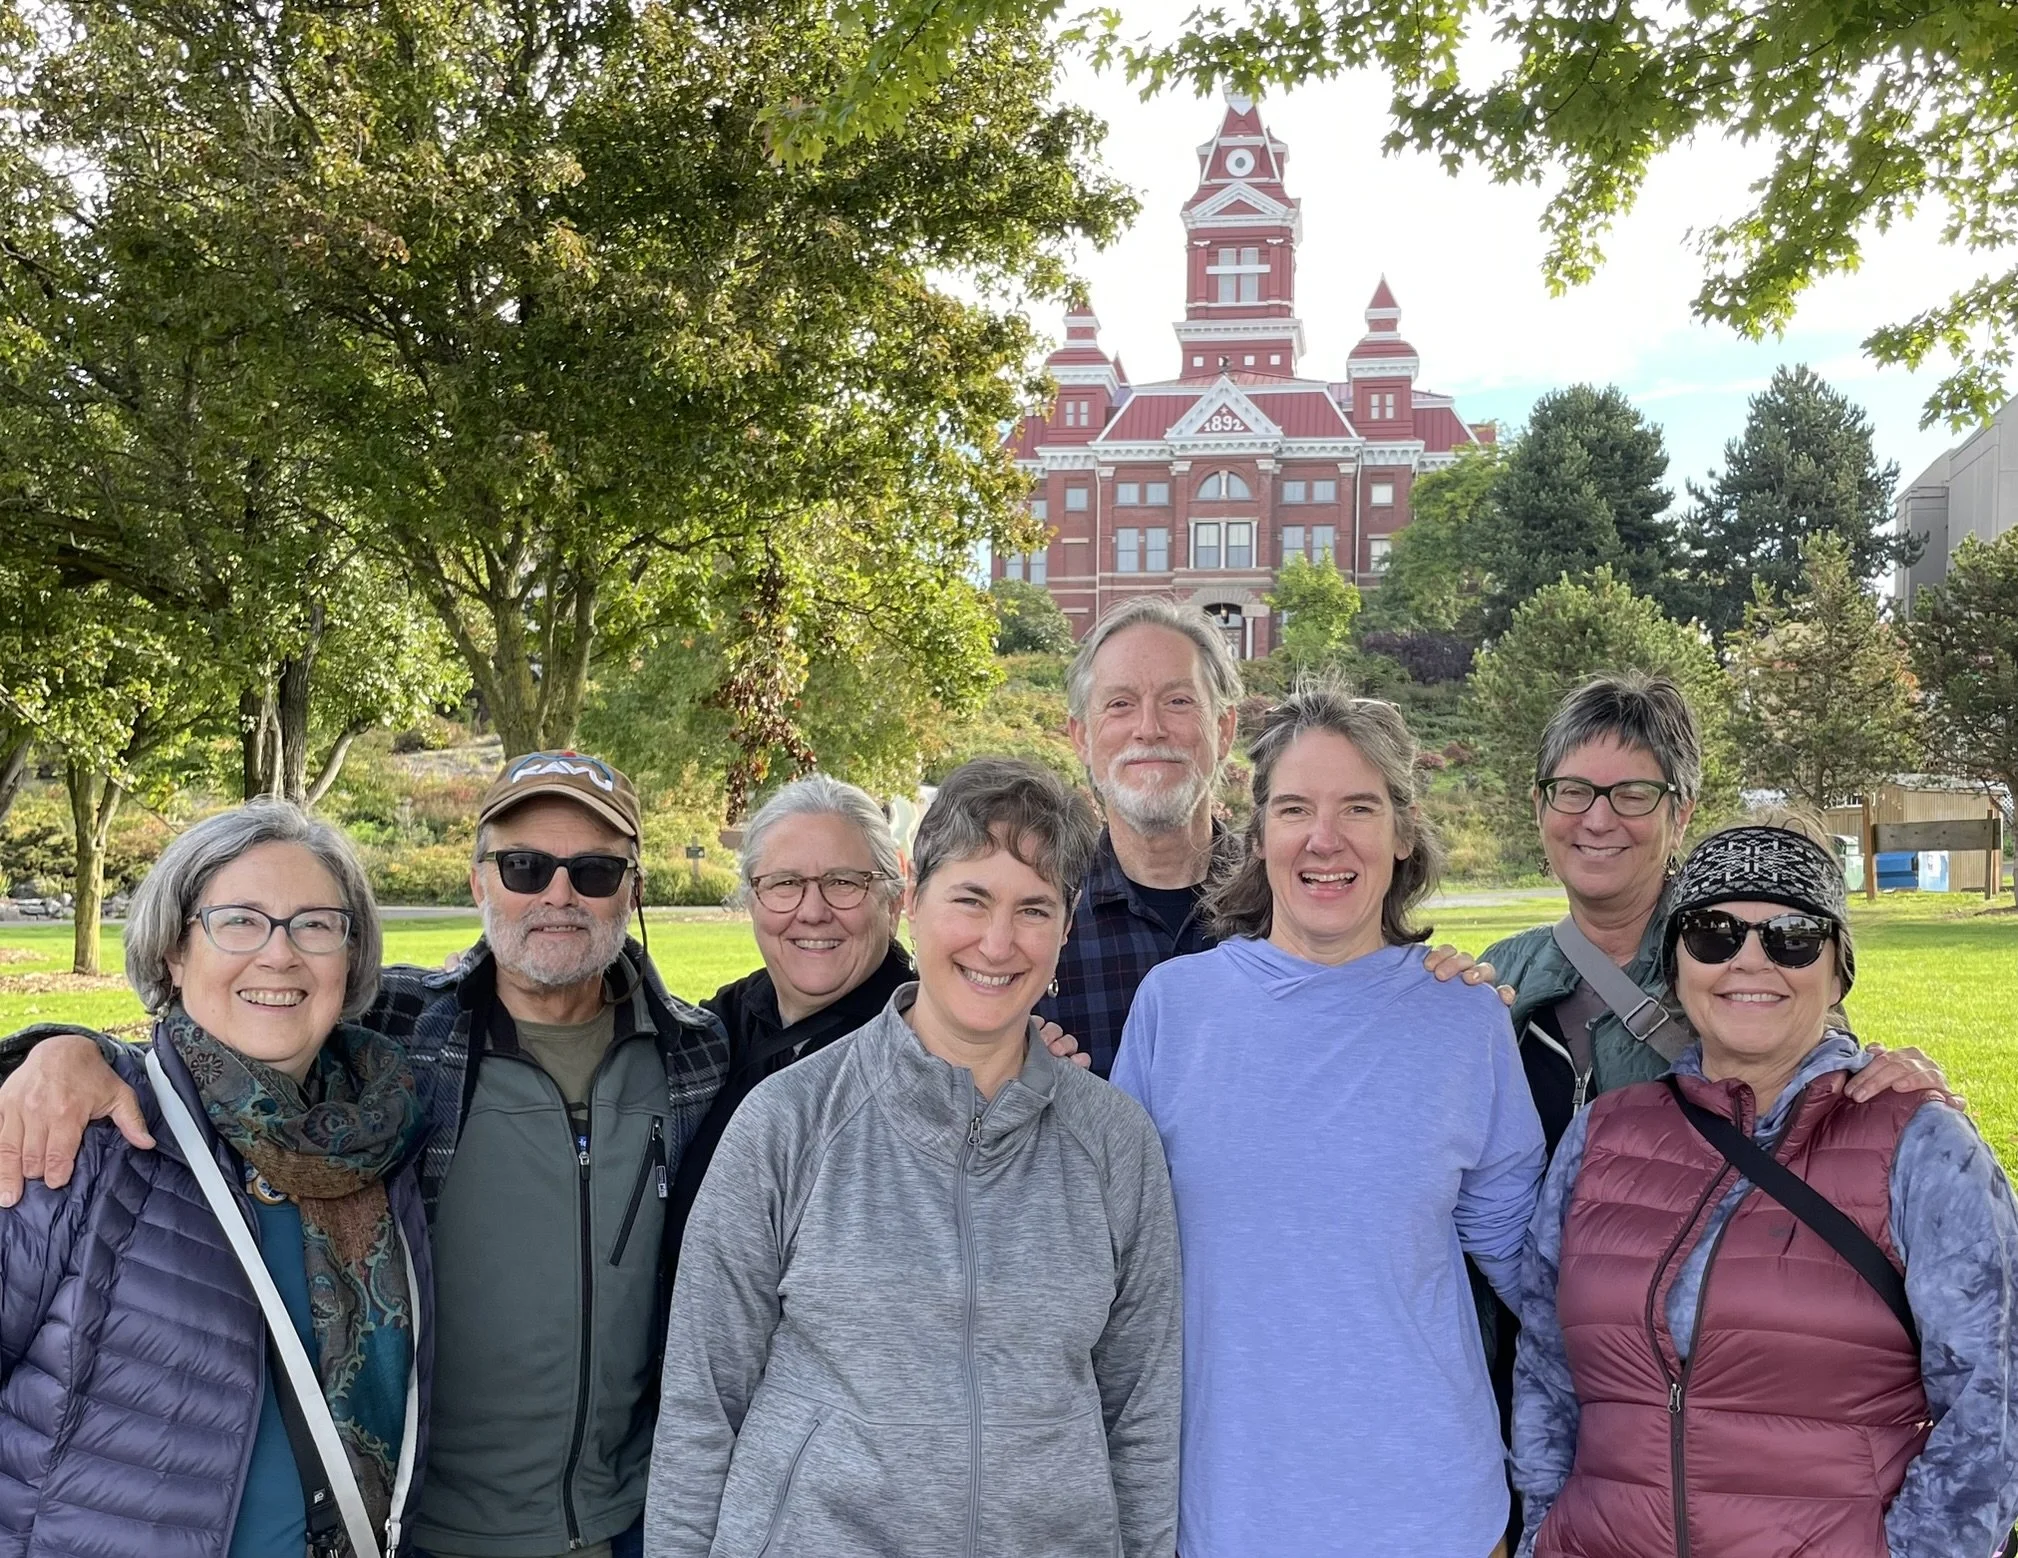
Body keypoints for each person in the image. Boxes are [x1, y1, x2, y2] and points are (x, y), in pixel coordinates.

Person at [0, 750, 730, 1558]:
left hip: (613, 1519)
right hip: (434, 1531)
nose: (558, 892)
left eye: (593, 871)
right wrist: (58, 1050)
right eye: (524, 865)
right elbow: (206, 1049)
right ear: (479, 879)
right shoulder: (409, 1036)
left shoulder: (695, 1056)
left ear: (634, 887)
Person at [646, 757, 1181, 1558]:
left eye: (1033, 909)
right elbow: (701, 1404)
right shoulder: (788, 1122)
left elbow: (1141, 1417)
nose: (997, 942)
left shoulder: (1113, 1144)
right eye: (971, 898)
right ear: (915, 899)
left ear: (1066, 927)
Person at [1113, 686, 1544, 1557]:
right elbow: (1110, 1257)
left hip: (1433, 1510)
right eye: (1296, 808)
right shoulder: (1176, 1009)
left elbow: (1536, 1267)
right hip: (1225, 1509)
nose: (1325, 839)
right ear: (1259, 828)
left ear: (1403, 830)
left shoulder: (1464, 1018)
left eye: (1359, 807)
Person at [1513, 818, 2018, 1557]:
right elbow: (1546, 1371)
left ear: (1838, 969)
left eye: (1792, 936)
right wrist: (1543, 1532)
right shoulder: (1601, 1136)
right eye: (1715, 933)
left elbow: (1995, 1404)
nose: (1750, 961)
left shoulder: (1921, 1146)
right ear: (1677, 964)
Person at [0, 800, 431, 1556]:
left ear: (352, 955)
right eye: (238, 920)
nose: (279, 954)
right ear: (174, 951)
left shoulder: (385, 1141)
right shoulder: (76, 1139)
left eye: (315, 924)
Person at [1044, 595, 1501, 1076]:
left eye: (1179, 701)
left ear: (1224, 728)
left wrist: (1455, 996)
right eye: (1120, 704)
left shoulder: (1311, 891)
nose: (1150, 728)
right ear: (1081, 738)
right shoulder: (1034, 925)